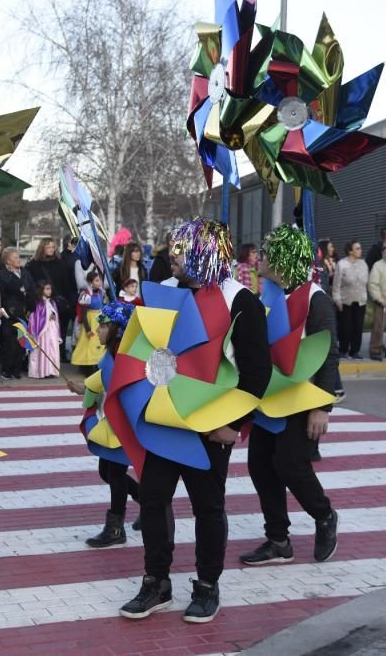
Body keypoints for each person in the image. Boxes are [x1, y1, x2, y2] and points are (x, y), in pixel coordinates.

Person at [119, 218, 271, 624]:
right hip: (163, 418)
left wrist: (234, 423)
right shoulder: (161, 291)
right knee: (152, 499)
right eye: (174, 246)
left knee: (207, 506)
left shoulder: (240, 300)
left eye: (183, 249)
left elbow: (257, 372)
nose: (173, 254)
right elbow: (138, 348)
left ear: (207, 252)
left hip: (210, 424)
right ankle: (157, 582)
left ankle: (207, 586)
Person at [241, 224, 339, 569]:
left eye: (266, 253)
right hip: (268, 398)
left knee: (289, 465)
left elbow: (327, 354)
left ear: (283, 258)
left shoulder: (315, 299)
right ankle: (279, 540)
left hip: (301, 398)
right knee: (260, 467)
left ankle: (324, 515)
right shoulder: (266, 295)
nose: (258, 259)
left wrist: (322, 407)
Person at [66, 301, 140, 547]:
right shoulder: (111, 352)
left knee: (115, 473)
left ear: (118, 329)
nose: (98, 330)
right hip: (113, 420)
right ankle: (150, 503)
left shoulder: (126, 354)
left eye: (104, 326)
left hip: (123, 421)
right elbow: (103, 376)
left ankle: (116, 528)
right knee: (106, 472)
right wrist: (84, 387)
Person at [0, 247, 35, 379]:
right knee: (9, 341)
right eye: (15, 257)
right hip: (10, 312)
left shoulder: (25, 273)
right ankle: (7, 369)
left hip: (24, 311)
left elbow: (31, 288)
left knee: (21, 341)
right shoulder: (3, 274)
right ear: (7, 261)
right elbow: (7, 291)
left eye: (18, 257)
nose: (18, 260)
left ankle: (17, 369)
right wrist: (20, 290)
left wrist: (24, 292)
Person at [26, 237, 72, 345]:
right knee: (42, 328)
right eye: (48, 247)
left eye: (53, 247)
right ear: (42, 248)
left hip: (57, 300)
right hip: (40, 302)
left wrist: (65, 299)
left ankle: (59, 351)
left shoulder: (60, 263)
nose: (51, 249)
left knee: (58, 327)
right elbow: (31, 284)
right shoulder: (34, 264)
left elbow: (66, 283)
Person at [332, 240, 368, 359]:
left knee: (358, 327)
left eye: (360, 248)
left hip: (360, 300)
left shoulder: (363, 264)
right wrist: (337, 300)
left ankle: (355, 351)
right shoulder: (342, 264)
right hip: (345, 301)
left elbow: (365, 283)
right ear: (350, 251)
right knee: (345, 327)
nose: (360, 250)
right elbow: (336, 285)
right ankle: (343, 350)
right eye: (357, 248)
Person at [71, 269, 106, 369]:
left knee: (98, 342)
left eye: (99, 280)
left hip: (99, 320)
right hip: (90, 321)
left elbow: (102, 307)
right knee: (88, 344)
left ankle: (98, 363)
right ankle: (87, 366)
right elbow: (84, 314)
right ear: (91, 283)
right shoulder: (86, 295)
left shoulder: (100, 293)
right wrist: (87, 329)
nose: (99, 282)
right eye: (96, 280)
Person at [28, 281, 61, 379]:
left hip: (52, 329)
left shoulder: (52, 302)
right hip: (43, 332)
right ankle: (41, 371)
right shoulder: (38, 303)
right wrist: (47, 317)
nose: (49, 291)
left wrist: (54, 316)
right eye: (47, 289)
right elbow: (35, 317)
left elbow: (55, 315)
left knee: (52, 349)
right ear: (41, 290)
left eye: (50, 289)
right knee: (44, 349)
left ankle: (51, 370)